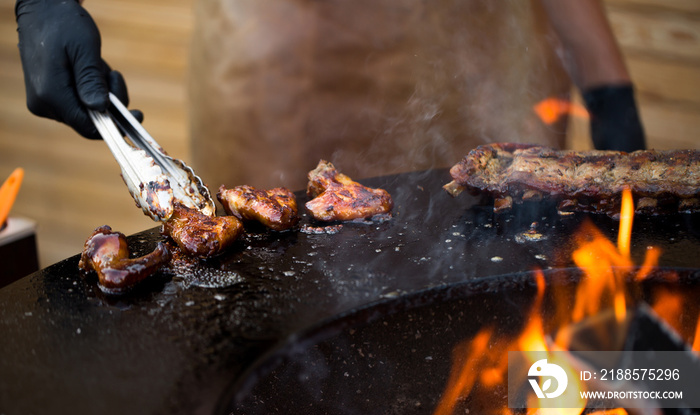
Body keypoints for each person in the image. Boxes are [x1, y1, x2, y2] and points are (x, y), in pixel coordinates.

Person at [15, 0, 645, 191]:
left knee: (501, 296)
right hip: (279, 57)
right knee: (276, 327)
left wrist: (605, 77)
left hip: (482, 45)